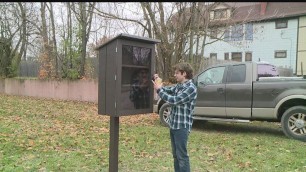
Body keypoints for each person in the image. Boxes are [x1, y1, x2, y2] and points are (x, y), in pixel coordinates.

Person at [152, 62, 197, 172]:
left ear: (184, 74)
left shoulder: (191, 88)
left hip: (182, 127)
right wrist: (159, 82)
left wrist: (158, 90)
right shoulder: (179, 86)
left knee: (182, 157)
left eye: (177, 73)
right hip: (174, 125)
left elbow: (174, 100)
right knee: (176, 156)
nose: (175, 75)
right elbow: (168, 90)